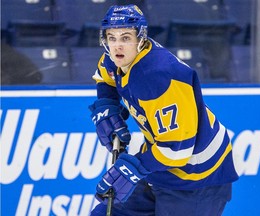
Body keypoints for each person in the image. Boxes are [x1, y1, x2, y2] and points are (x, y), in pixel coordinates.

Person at [89, 4, 239, 216]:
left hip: (198, 176)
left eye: (125, 38)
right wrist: (107, 106)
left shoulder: (159, 78)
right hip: (162, 169)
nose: (117, 46)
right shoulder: (114, 59)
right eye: (111, 38)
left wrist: (134, 167)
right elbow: (105, 78)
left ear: (140, 39)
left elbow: (178, 149)